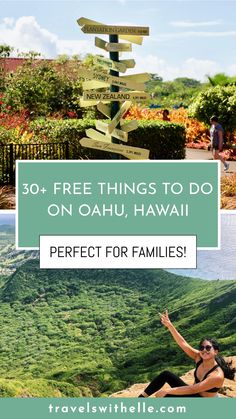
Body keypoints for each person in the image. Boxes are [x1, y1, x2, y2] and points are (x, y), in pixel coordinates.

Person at [139, 310, 235, 398]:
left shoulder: (216, 376)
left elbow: (193, 389)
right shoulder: (199, 357)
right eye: (202, 347)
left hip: (202, 404)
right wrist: (170, 326)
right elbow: (183, 344)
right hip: (193, 395)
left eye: (208, 347)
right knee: (166, 374)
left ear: (216, 351)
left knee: (167, 395)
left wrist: (167, 391)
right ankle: (141, 398)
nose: (204, 350)